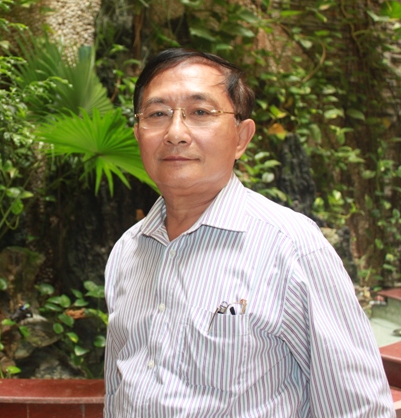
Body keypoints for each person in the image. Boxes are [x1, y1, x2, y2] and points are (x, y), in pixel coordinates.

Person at [103, 48, 395, 417]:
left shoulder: (292, 247)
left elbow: (358, 407)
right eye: (157, 114)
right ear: (138, 133)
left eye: (200, 112)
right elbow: (118, 391)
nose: (175, 133)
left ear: (241, 137)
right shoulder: (127, 251)